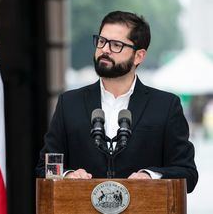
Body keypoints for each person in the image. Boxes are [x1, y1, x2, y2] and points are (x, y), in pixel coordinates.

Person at [36, 11, 198, 193]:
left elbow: (187, 173)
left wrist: (150, 176)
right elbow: (45, 168)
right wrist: (68, 175)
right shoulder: (69, 103)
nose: (105, 49)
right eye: (102, 41)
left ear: (139, 56)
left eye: (116, 45)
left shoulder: (165, 106)